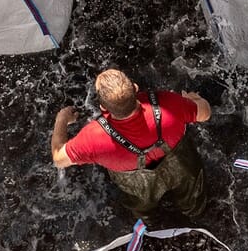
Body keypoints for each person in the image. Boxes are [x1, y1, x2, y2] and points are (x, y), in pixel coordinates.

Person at [51, 68, 212, 217]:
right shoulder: (168, 103)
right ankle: (196, 213)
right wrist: (193, 98)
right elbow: (205, 113)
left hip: (136, 184)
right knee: (193, 195)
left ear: (103, 107)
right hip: (181, 166)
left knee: (143, 208)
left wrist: (61, 120)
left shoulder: (93, 138)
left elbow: (59, 159)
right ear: (135, 88)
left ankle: (151, 226)